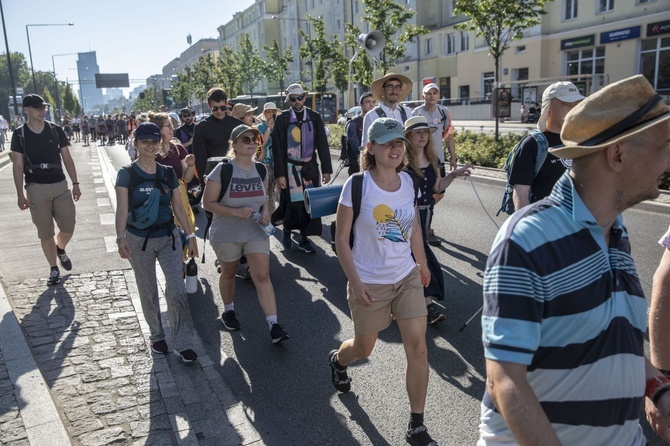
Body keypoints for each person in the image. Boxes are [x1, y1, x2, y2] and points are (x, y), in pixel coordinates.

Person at [478, 75, 670, 445]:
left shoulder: (617, 231)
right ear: (617, 155)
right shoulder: (527, 239)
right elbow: (503, 378)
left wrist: (658, 389)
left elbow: (614, 339)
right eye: (664, 146)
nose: (669, 159)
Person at [329, 117, 438, 446]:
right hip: (369, 282)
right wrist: (355, 282)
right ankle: (338, 360)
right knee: (364, 348)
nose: (395, 147)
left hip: (405, 276)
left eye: (399, 142)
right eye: (388, 142)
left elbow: (415, 227)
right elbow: (341, 239)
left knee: (418, 347)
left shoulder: (407, 181)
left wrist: (421, 263)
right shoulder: (357, 185)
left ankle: (416, 424)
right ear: (370, 147)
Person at [114, 122, 199, 363]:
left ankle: (183, 343)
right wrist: (120, 238)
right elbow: (122, 210)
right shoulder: (126, 174)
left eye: (155, 142)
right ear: (136, 144)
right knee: (148, 290)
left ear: (160, 144)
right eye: (145, 142)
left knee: (176, 289)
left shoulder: (167, 172)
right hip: (137, 240)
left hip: (168, 238)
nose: (150, 146)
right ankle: (157, 335)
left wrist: (190, 235)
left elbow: (179, 207)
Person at [202, 124, 289, 344]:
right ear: (234, 145)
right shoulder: (222, 170)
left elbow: (264, 200)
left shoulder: (260, 169)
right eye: (246, 140)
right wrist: (234, 212)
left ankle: (274, 325)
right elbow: (207, 203)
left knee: (262, 275)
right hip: (226, 233)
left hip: (255, 231)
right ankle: (229, 310)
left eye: (254, 140)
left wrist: (266, 211)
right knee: (229, 273)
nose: (251, 143)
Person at [403, 116, 473, 324]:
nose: (423, 135)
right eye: (418, 132)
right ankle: (428, 306)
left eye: (426, 131)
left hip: (426, 213)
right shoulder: (401, 162)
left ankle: (412, 302)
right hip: (407, 215)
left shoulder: (432, 159)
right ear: (408, 136)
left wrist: (454, 175)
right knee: (419, 256)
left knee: (414, 256)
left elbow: (437, 187)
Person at [10, 94, 81, 286]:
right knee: (45, 232)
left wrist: (75, 183)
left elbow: (67, 158)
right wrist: (20, 194)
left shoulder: (55, 130)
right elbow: (17, 165)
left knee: (68, 226)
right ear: (26, 110)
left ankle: (61, 248)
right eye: (38, 107)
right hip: (35, 187)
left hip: (60, 184)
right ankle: (53, 269)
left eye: (44, 107)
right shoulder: (19, 134)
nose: (43, 110)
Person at [272, 83, 333, 254]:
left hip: (310, 168)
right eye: (293, 99)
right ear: (288, 100)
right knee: (293, 204)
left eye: (300, 98)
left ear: (305, 97)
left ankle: (305, 238)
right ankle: (287, 229)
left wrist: (327, 169)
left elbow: (322, 144)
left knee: (310, 204)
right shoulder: (282, 119)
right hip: (290, 168)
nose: (297, 101)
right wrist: (280, 175)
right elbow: (277, 148)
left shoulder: (314, 117)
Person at [509, 81, 584, 211]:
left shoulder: (582, 141)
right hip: (544, 226)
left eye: (576, 104)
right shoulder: (532, 144)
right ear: (547, 108)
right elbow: (521, 193)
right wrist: (527, 227)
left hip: (575, 225)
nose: (573, 110)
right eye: (565, 105)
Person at [412, 83, 457, 246]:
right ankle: (425, 227)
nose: (432, 96)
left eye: (435, 93)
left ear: (439, 96)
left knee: (438, 192)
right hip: (420, 160)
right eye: (428, 93)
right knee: (421, 194)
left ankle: (425, 213)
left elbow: (449, 136)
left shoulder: (444, 112)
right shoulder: (416, 113)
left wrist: (453, 157)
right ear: (423, 96)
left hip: (437, 159)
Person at [148, 112, 197, 256]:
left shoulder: (178, 148)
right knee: (167, 241)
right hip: (159, 199)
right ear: (158, 129)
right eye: (168, 126)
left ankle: (180, 268)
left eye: (171, 125)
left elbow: (186, 179)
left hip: (180, 198)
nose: (172, 129)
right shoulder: (149, 151)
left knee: (183, 236)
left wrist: (191, 165)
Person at [192, 87, 243, 205]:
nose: (219, 111)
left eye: (222, 107)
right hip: (213, 177)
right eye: (215, 108)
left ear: (226, 104)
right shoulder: (201, 127)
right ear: (209, 105)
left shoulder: (237, 125)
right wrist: (203, 181)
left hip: (237, 174)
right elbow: (200, 158)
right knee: (214, 217)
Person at [361, 73, 413, 147]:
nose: (394, 91)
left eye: (397, 87)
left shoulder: (407, 112)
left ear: (400, 90)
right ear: (382, 90)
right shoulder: (372, 115)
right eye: (390, 87)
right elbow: (366, 146)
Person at [345, 91, 375, 175]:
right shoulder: (353, 123)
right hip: (358, 166)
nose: (371, 104)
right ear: (360, 104)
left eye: (373, 102)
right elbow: (356, 148)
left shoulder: (376, 122)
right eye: (368, 102)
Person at [257, 102, 278, 214]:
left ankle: (274, 215)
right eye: (268, 112)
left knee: (275, 192)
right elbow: (261, 144)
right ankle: (268, 215)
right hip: (266, 163)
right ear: (264, 114)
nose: (271, 114)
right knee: (266, 192)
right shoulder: (260, 127)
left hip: (277, 163)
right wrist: (269, 129)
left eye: (273, 112)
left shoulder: (278, 125)